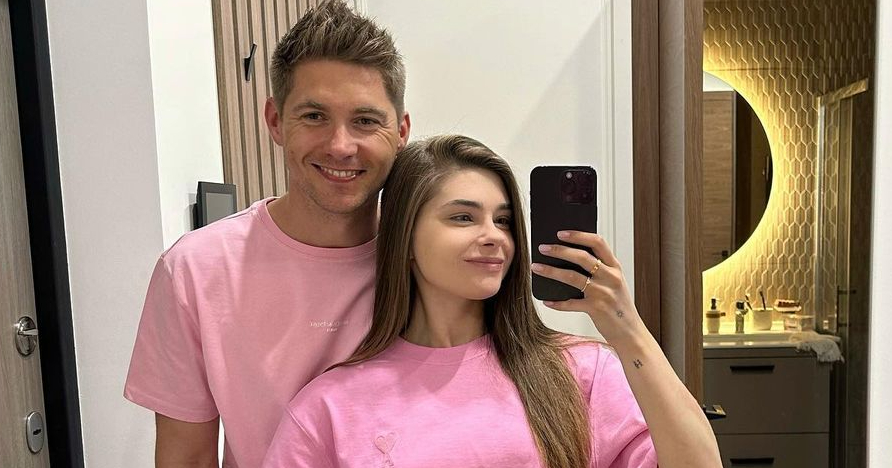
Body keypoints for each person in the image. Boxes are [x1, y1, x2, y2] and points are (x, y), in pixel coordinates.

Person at [262, 135, 722, 468]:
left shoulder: (581, 373)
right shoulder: (330, 408)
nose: (493, 237)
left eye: (503, 221)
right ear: (405, 238)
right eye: (463, 217)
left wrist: (627, 330)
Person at [123, 2, 410, 467]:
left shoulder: (427, 260)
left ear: (401, 131)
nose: (340, 146)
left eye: (365, 120)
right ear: (275, 121)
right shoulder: (196, 271)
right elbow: (186, 457)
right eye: (314, 116)